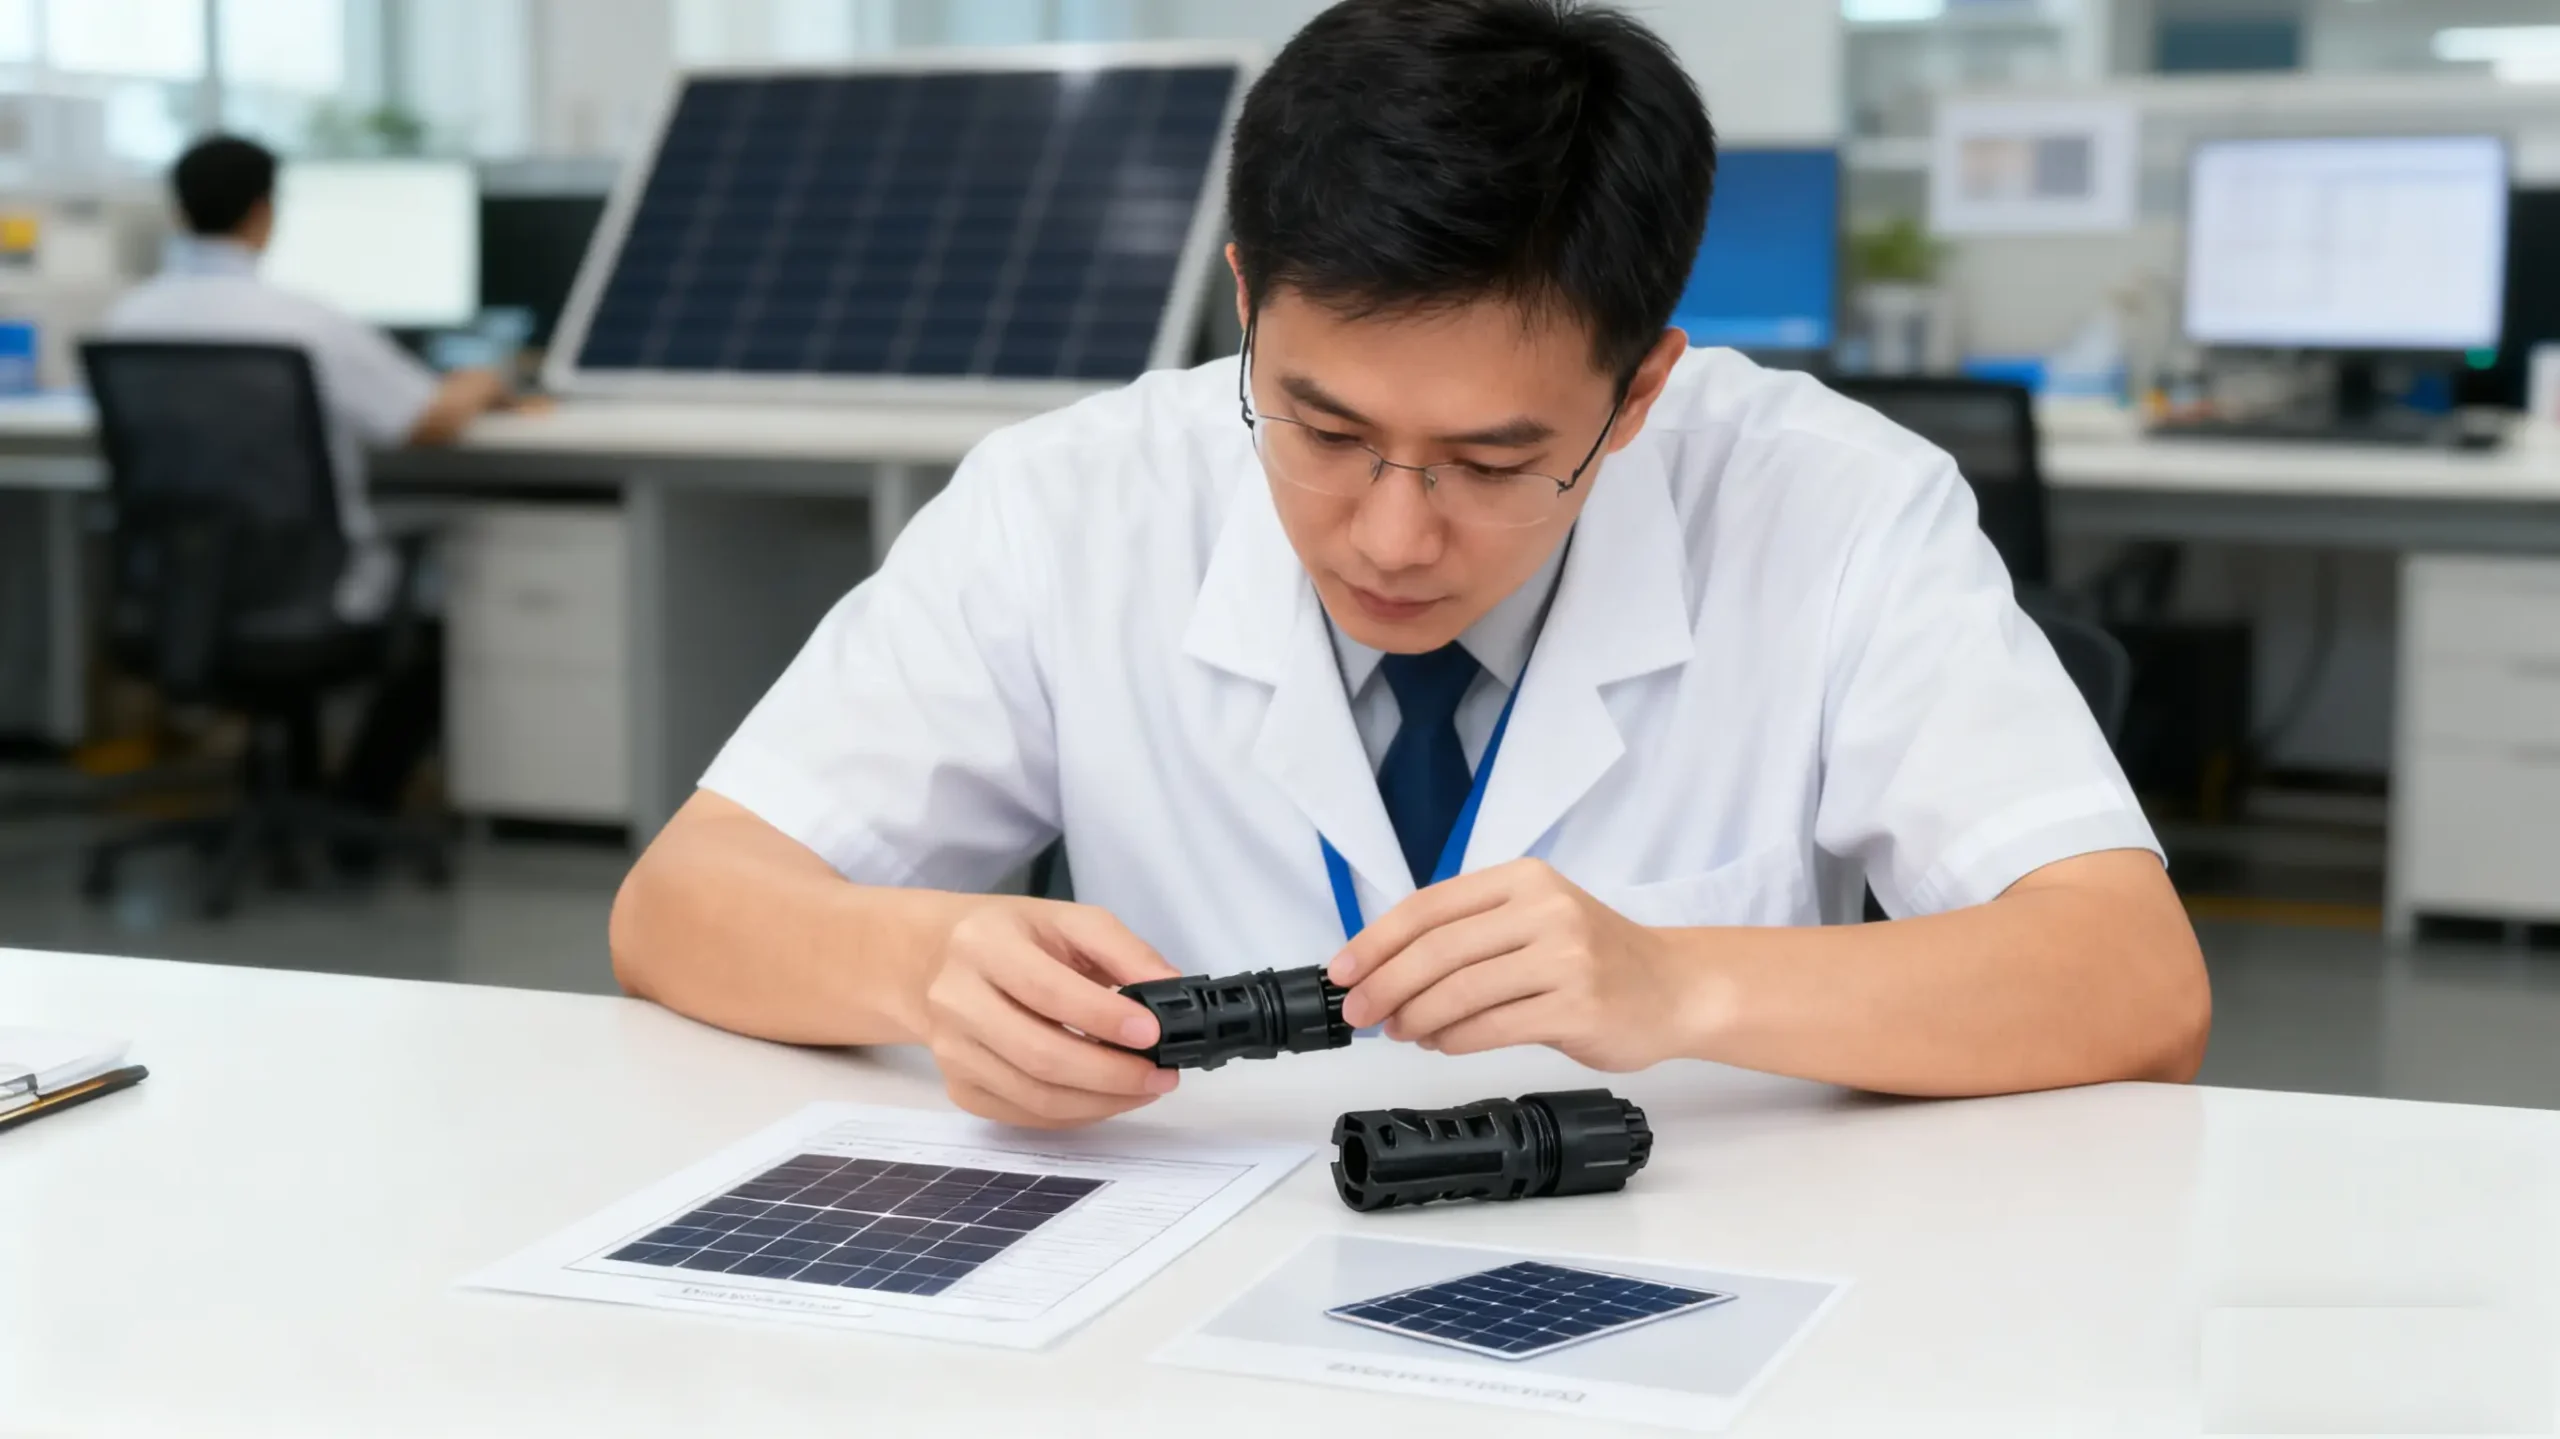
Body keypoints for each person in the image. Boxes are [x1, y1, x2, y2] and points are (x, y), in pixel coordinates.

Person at [610, 0, 2210, 1129]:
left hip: (1693, 1278)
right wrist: (926, 962)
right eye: (1320, 426)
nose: (1389, 534)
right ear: (1248, 301)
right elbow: (684, 903)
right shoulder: (1066, 502)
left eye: (1495, 462)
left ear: (1641, 386)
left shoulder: (1835, 507)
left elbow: (2131, 977)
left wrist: (1683, 988)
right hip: (1197, 1278)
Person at [104, 134, 515, 818]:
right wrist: (485, 381)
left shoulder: (128, 319)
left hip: (181, 594)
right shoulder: (306, 323)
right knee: (440, 615)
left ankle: (292, 794)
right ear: (266, 213)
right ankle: (360, 805)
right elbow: (427, 422)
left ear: (178, 213)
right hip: (307, 592)